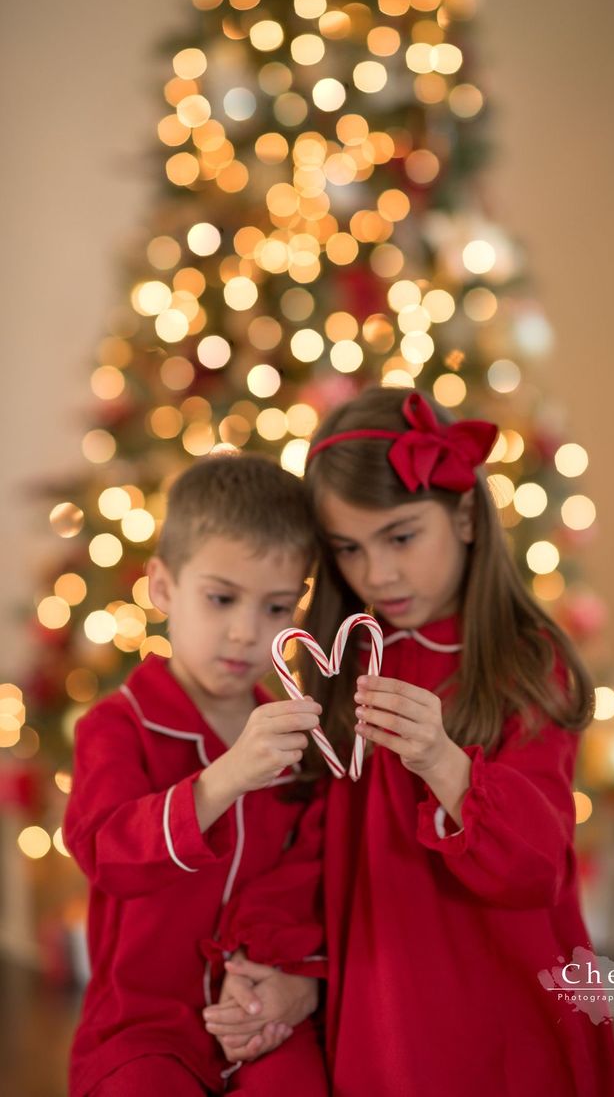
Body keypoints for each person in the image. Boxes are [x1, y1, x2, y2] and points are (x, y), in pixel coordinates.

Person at [296, 387, 614, 1096]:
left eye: (402, 537)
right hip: (384, 1010)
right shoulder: (341, 662)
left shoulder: (525, 662)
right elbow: (309, 843)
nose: (377, 574)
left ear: (467, 515)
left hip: (506, 1010)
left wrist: (444, 762)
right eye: (348, 549)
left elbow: (538, 866)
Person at [64, 453, 329, 1097]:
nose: (245, 632)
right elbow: (108, 854)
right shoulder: (117, 726)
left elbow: (308, 880)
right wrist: (224, 778)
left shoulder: (297, 736)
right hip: (142, 1030)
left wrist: (294, 983)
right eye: (221, 598)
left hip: (264, 1021)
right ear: (162, 588)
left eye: (275, 607)